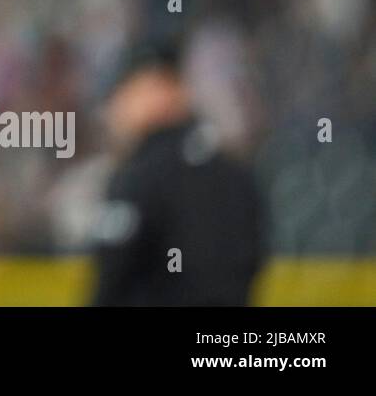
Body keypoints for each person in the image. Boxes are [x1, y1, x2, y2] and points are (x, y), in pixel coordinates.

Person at [90, 43, 267, 306]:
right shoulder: (238, 174)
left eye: (125, 92)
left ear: (157, 89)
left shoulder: (140, 176)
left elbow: (112, 279)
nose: (117, 108)